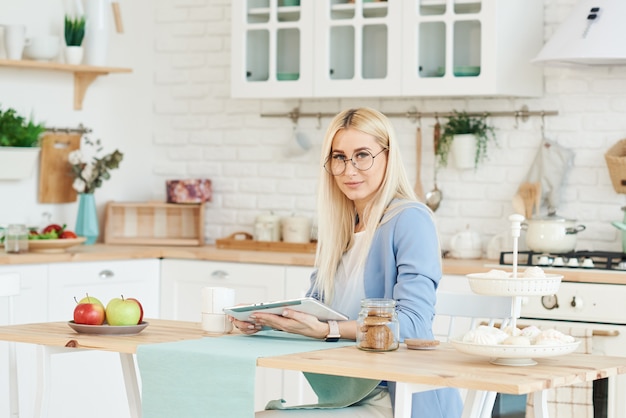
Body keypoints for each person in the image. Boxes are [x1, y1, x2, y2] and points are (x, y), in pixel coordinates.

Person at [230, 107, 463, 418]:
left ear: (388, 156)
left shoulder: (410, 219)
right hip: (347, 394)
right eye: (339, 157)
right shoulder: (340, 229)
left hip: (395, 397)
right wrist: (267, 321)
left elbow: (414, 325)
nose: (350, 169)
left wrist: (330, 330)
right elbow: (315, 313)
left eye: (363, 155)